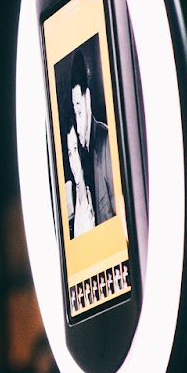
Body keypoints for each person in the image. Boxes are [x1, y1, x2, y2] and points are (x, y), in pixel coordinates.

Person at [65, 48, 116, 235]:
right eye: (74, 113)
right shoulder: (80, 153)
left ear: (88, 100)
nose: (78, 125)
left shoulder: (106, 143)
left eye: (79, 112)